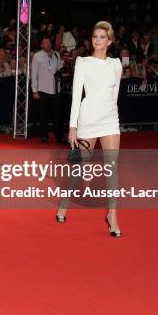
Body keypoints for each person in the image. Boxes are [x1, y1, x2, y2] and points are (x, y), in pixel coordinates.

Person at [58, 20, 123, 238]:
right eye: (95, 36)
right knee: (80, 168)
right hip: (87, 120)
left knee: (112, 167)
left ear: (110, 41)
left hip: (110, 120)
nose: (97, 40)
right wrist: (73, 128)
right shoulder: (83, 62)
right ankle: (64, 203)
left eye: (102, 37)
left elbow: (115, 96)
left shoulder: (116, 64)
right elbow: (77, 96)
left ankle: (112, 215)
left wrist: (113, 116)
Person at [30, 37, 63, 143]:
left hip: (55, 89)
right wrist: (34, 90)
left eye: (49, 42)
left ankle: (59, 136)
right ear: (41, 45)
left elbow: (60, 68)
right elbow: (33, 73)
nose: (48, 44)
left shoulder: (56, 54)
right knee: (44, 114)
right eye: (45, 43)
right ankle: (43, 135)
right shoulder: (37, 56)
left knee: (58, 114)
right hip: (43, 89)